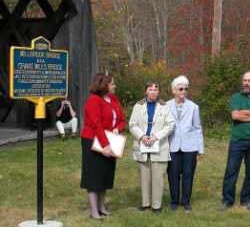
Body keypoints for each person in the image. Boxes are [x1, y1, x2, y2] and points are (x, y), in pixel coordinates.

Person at [218, 71, 250, 211]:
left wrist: (244, 113)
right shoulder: (236, 97)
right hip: (238, 140)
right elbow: (235, 116)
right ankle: (227, 200)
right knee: (231, 171)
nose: (246, 83)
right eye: (244, 80)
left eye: (249, 81)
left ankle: (246, 199)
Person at [80, 72, 126, 221]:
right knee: (94, 176)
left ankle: (102, 207)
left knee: (105, 175)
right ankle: (94, 211)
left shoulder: (113, 99)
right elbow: (96, 124)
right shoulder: (93, 100)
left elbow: (121, 119)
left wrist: (118, 129)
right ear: (104, 85)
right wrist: (105, 145)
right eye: (112, 83)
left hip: (110, 139)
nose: (114, 86)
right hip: (93, 141)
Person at [129, 80, 175, 214]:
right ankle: (145, 203)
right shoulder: (138, 106)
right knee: (144, 176)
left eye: (155, 89)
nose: (153, 92)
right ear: (146, 91)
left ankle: (156, 205)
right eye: (150, 89)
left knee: (158, 177)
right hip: (142, 144)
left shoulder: (164, 106)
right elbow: (132, 124)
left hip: (158, 145)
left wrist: (156, 137)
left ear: (159, 92)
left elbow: (170, 125)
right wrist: (142, 136)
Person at [167, 75, 204, 211]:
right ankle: (174, 201)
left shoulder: (194, 107)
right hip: (172, 146)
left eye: (186, 89)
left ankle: (186, 201)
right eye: (180, 88)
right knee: (173, 175)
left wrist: (200, 149)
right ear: (173, 90)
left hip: (190, 146)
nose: (183, 91)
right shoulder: (166, 106)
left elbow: (197, 128)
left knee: (188, 174)